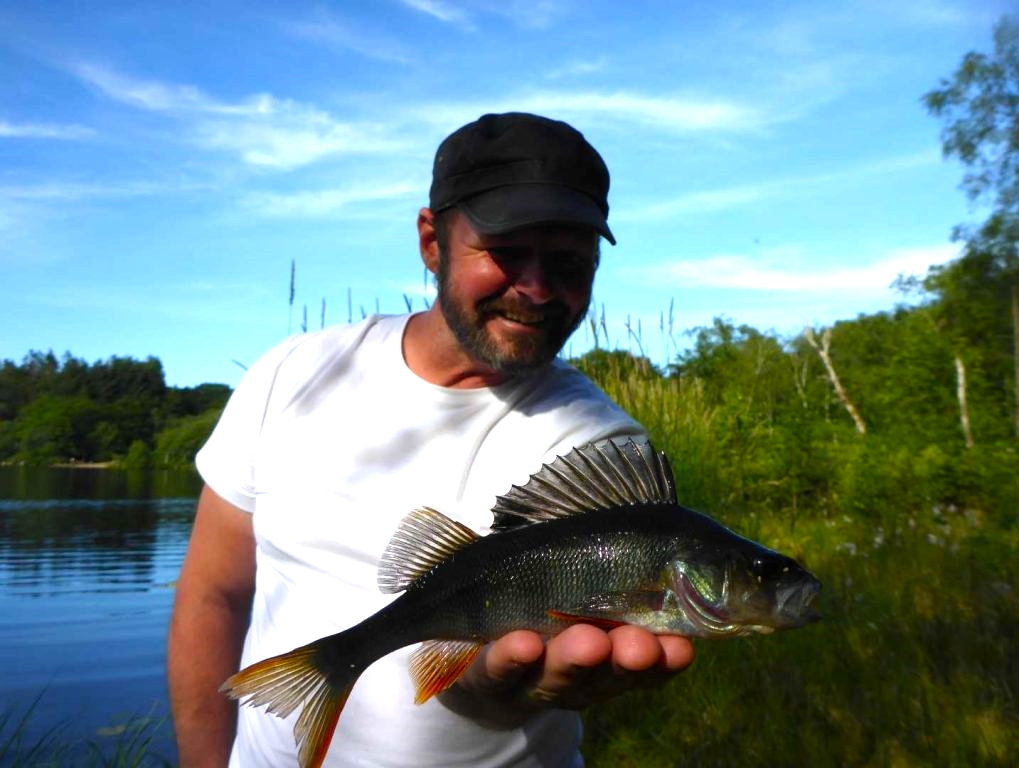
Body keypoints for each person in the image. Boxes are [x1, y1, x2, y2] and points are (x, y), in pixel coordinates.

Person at [167, 112, 695, 768]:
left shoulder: (601, 447)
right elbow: (212, 593)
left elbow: (488, 691)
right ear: (431, 241)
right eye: (504, 251)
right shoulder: (292, 373)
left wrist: (500, 691)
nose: (533, 289)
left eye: (566, 262)